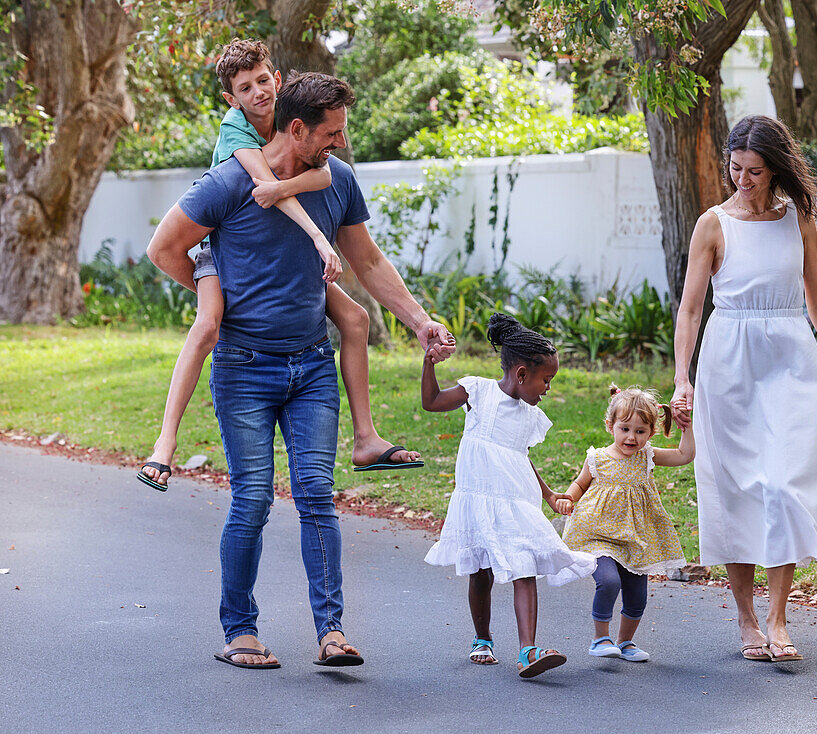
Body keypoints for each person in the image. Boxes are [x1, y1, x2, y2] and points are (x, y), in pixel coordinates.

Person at [146, 71, 454, 669]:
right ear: (295, 128)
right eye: (330, 133)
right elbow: (165, 248)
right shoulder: (231, 181)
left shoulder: (336, 181)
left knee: (317, 495)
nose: (339, 144)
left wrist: (419, 321)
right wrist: (219, 295)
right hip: (243, 369)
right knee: (253, 499)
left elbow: (366, 258)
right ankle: (239, 630)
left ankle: (331, 632)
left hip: (312, 366)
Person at [137, 39, 420, 494]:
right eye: (245, 88)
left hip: (289, 269)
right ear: (231, 99)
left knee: (355, 316)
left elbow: (325, 177)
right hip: (221, 256)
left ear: (278, 79)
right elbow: (267, 185)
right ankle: (164, 443)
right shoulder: (236, 132)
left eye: (264, 80)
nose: (258, 93)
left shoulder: (294, 130)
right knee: (208, 325)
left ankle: (366, 437)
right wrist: (227, 289)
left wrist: (420, 321)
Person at [670, 115, 817, 663]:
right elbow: (689, 309)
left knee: (785, 484)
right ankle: (748, 619)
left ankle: (779, 619)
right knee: (734, 489)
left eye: (755, 171)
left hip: (790, 357)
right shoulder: (712, 224)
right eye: (736, 169)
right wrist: (682, 378)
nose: (744, 180)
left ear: (776, 169)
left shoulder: (797, 218)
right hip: (729, 359)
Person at [421, 313, 596, 678]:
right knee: (481, 570)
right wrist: (429, 364)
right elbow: (432, 401)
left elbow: (521, 455)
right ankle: (482, 638)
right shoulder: (477, 392)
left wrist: (548, 493)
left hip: (516, 500)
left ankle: (528, 650)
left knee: (525, 566)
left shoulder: (530, 415)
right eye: (546, 380)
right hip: (478, 496)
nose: (547, 388)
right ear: (521, 375)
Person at [556, 385, 694, 663]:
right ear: (611, 426)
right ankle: (600, 639)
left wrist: (686, 428)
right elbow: (580, 483)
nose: (632, 437)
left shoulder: (648, 456)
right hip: (597, 534)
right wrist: (568, 498)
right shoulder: (598, 458)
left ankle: (626, 642)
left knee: (637, 595)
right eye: (625, 429)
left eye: (640, 431)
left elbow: (685, 455)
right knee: (608, 582)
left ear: (650, 432)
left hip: (636, 537)